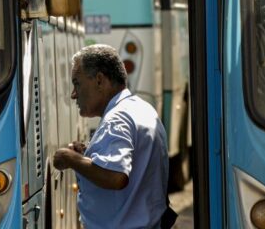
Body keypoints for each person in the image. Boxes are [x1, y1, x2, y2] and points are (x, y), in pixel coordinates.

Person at [52, 44, 175, 229]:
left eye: (77, 83)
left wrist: (70, 159)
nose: (73, 94)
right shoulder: (140, 108)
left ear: (99, 80)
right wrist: (88, 155)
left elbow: (115, 176)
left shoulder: (117, 118)